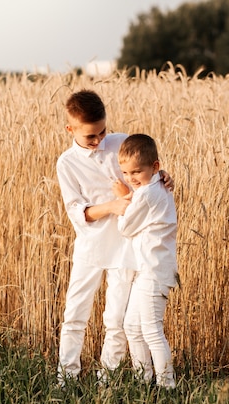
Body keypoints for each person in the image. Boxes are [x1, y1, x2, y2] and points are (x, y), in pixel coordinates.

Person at [55, 90, 173, 385]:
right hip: (90, 246)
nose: (98, 140)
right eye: (90, 136)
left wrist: (163, 177)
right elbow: (76, 212)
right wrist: (113, 206)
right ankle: (67, 377)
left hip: (125, 247)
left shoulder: (119, 142)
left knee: (116, 320)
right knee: (75, 314)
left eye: (102, 132)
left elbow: (145, 172)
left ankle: (106, 377)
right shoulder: (66, 163)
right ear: (71, 130)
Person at [116, 133, 179, 389]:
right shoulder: (157, 185)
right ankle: (143, 381)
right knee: (132, 326)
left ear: (154, 167)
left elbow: (125, 227)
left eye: (136, 172)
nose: (130, 179)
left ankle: (167, 386)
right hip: (147, 270)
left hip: (154, 271)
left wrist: (125, 198)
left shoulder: (146, 194)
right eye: (126, 173)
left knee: (152, 330)